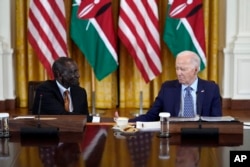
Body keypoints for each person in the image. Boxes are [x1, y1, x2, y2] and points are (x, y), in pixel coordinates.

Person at [116, 50, 222, 122]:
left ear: (195, 70)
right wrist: (126, 121)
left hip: (201, 137)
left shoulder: (211, 89)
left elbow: (216, 121)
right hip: (173, 136)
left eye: (183, 69)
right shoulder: (167, 88)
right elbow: (151, 116)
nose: (178, 73)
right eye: (177, 68)